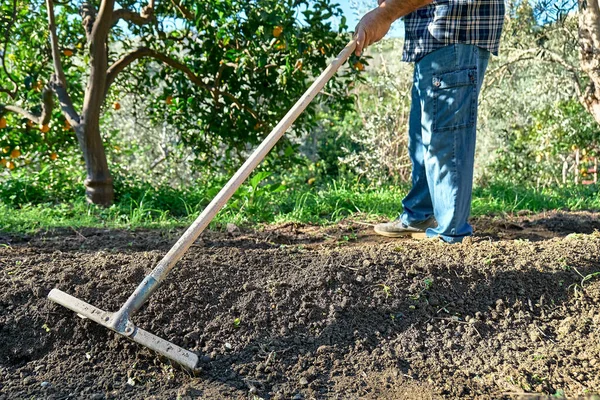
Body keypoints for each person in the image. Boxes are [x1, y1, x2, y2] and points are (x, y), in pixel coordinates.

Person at [354, 0, 505, 243]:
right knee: (423, 138)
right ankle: (420, 215)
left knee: (446, 141)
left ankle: (451, 232)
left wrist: (384, 14)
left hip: (453, 30)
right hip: (432, 39)